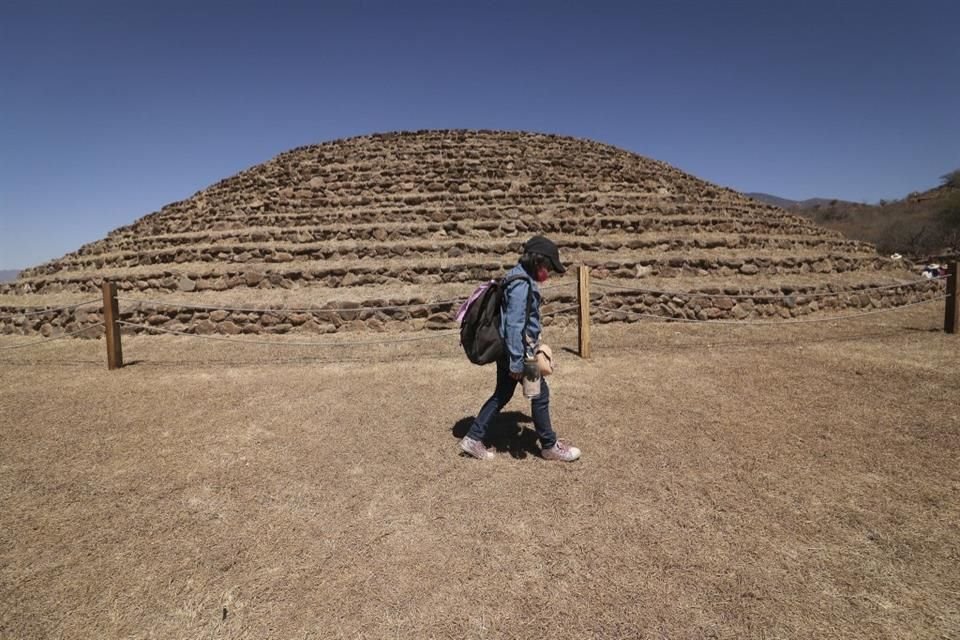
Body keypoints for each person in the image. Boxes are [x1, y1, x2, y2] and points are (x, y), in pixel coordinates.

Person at [459, 236, 581, 462]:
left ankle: (473, 438)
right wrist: (517, 362)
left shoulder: (518, 277)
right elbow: (514, 325)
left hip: (513, 351)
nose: (547, 272)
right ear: (537, 261)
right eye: (547, 266)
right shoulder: (521, 284)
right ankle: (549, 445)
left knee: (502, 394)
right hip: (521, 353)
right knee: (540, 395)